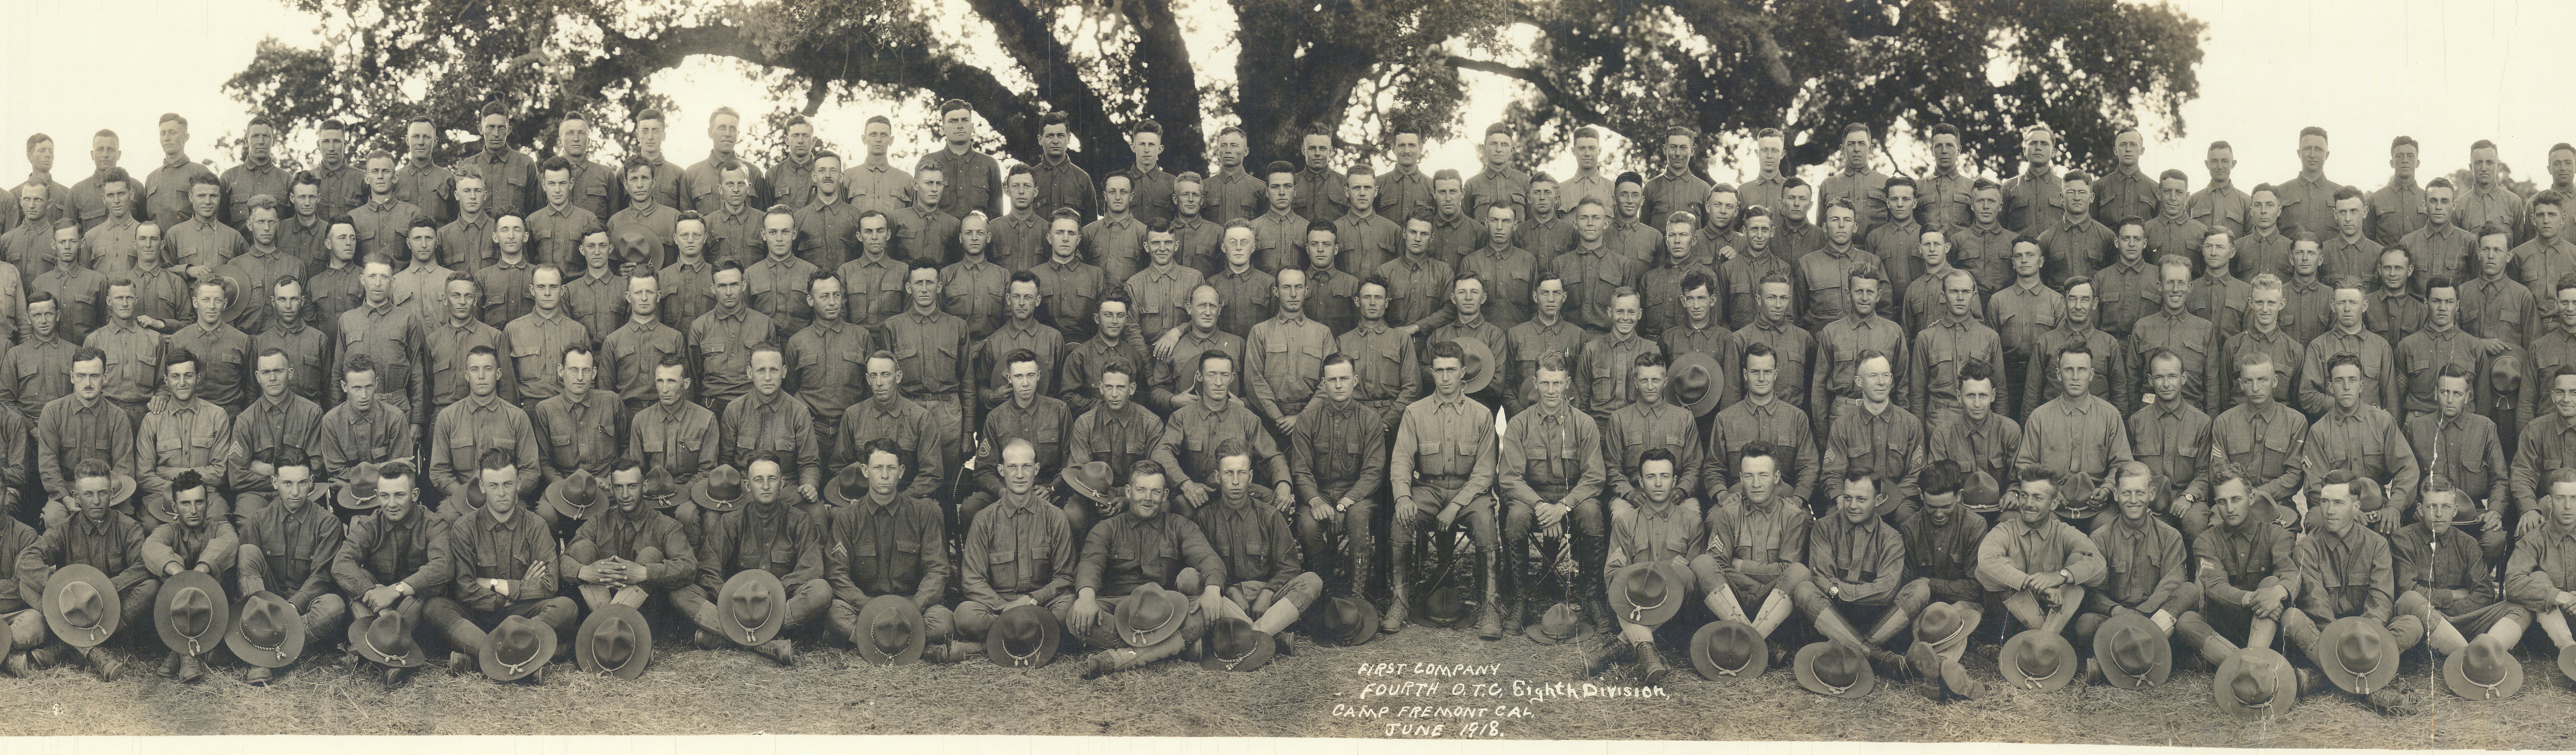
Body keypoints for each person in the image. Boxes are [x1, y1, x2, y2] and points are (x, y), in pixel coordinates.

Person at [1384, 341, 1502, 635]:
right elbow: (1401, 460)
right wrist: (1402, 496)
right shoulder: (1414, 412)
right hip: (1428, 488)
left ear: (1463, 372)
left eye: (1452, 370)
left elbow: (1485, 473)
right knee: (1401, 520)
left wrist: (1456, 505)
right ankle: (1400, 601)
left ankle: (1490, 606)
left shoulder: (1482, 414)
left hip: (1470, 492)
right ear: (1432, 373)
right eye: (1439, 371)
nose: (1446, 377)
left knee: (1486, 521)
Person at [428, 449, 577, 680]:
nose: (502, 493)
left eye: (508, 484)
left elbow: (550, 584)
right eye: (494, 486)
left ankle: (478, 658)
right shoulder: (464, 528)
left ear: (519, 483)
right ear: (482, 486)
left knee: (566, 607)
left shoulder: (536, 526)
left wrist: (497, 585)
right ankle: (522, 657)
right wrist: (515, 592)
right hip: (477, 615)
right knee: (435, 608)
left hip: (524, 616)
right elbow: (464, 589)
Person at [2282, 469, 2426, 706]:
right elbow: (2317, 607)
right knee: (2292, 618)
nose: (2329, 511)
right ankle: (2373, 691)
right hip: (2326, 636)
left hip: (2368, 636)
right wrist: (2344, 649)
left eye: (2338, 503)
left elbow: (2381, 601)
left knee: (2412, 625)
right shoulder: (2306, 548)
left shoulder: (2377, 545)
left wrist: (2363, 642)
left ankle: (2320, 678)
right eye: (2324, 502)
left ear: (2356, 506)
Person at [1070, 459, 1225, 676]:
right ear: (1128, 491)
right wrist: (1086, 597)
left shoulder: (1180, 526)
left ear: (1164, 495)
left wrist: (1212, 591)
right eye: (1141, 490)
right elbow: (1090, 564)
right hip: (1118, 610)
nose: (1148, 498)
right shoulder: (1106, 528)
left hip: (1166, 613)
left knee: (1210, 607)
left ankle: (1122, 657)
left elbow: (1209, 559)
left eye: (1155, 492)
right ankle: (1177, 646)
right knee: (1076, 617)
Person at [676, 453, 825, 665]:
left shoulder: (799, 521)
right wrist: (729, 597)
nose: (766, 486)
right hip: (737, 607)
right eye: (758, 480)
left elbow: (812, 569)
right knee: (681, 592)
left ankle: (725, 637)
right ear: (747, 485)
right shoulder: (732, 522)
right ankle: (767, 645)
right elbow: (709, 567)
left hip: (780, 606)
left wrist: (774, 595)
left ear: (782, 483)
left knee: (821, 590)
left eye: (772, 479)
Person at [1498, 356, 1607, 632]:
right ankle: (1521, 600)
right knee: (1516, 516)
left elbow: (1595, 476)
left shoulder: (1584, 424)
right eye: (1545, 383)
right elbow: (1510, 477)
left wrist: (1563, 507)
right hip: (1532, 498)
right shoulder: (1519, 424)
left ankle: (1591, 597)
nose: (1550, 390)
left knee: (1593, 512)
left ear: (1568, 384)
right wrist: (1540, 505)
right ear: (1535, 383)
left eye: (1557, 383)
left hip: (1572, 499)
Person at [822, 439, 954, 657]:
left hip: (910, 604)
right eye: (878, 468)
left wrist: (915, 607)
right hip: (864, 605)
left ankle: (862, 640)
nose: (885, 475)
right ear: (865, 471)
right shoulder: (847, 519)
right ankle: (910, 643)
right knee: (833, 612)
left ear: (901, 472)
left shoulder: (922, 514)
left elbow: (937, 569)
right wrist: (868, 607)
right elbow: (837, 573)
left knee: (944, 622)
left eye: (891, 468)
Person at [231, 447, 349, 685]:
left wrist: (293, 607)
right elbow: (245, 571)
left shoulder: (328, 524)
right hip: (266, 606)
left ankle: (262, 652)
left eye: (302, 483)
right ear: (274, 482)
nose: (295, 492)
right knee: (247, 552)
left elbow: (323, 577)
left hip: (304, 610)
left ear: (312, 482)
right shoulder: (259, 520)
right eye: (287, 484)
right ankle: (268, 638)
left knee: (334, 606)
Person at [1188, 439, 1323, 647]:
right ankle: (1268, 635)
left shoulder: (1269, 516)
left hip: (1267, 600)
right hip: (1226, 601)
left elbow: (1290, 567)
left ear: (1250, 476)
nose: (1235, 481)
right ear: (1218, 477)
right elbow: (1202, 567)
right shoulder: (1205, 518)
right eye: (1228, 473)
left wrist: (1268, 593)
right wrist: (1231, 590)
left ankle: (1248, 635)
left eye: (1241, 473)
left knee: (1312, 581)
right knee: (1189, 579)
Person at [951, 437, 1078, 658]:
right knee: (966, 615)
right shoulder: (984, 519)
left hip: (1042, 606)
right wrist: (1003, 607)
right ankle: (1037, 639)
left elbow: (1065, 578)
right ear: (1001, 470)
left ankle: (985, 647)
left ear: (1036, 469)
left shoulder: (1055, 517)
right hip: (999, 606)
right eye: (1012, 467)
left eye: (1026, 467)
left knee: (1070, 607)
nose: (1020, 475)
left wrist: (1032, 600)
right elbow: (972, 580)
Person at [2068, 462, 2196, 679]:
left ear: (2152, 494)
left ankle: (2113, 663)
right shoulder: (2100, 538)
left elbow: (2172, 582)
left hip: (2157, 617)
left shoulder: (2170, 536)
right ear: (2116, 495)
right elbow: (2093, 591)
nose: (2134, 500)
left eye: (2140, 493)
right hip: (2116, 620)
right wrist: (2116, 611)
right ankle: (2150, 655)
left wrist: (2144, 614)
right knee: (2085, 625)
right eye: (2127, 493)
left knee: (2189, 591)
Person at [328, 460, 449, 686]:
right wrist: (378, 597)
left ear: (415, 494)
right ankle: (392, 658)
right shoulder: (370, 525)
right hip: (376, 607)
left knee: (422, 596)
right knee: (356, 588)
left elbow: (442, 567)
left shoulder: (434, 524)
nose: (391, 504)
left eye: (400, 496)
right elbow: (341, 564)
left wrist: (396, 590)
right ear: (376, 495)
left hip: (412, 607)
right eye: (385, 496)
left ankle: (374, 654)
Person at [1587, 448, 1703, 682]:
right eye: (1650, 477)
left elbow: (1692, 580)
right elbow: (1613, 576)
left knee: (1683, 573)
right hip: (1632, 606)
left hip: (1675, 614)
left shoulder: (1692, 523)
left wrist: (1659, 572)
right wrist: (1664, 566)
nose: (1658, 484)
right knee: (1624, 583)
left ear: (1675, 481)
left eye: (1665, 476)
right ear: (1640, 481)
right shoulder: (1626, 523)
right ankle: (1648, 652)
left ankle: (1620, 646)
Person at [1288, 354, 1389, 603]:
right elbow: (1301, 469)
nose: (1339, 385)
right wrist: (1315, 501)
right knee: (1308, 525)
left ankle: (1358, 597)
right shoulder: (1308, 419)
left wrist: (1346, 502)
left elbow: (1374, 472)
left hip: (1358, 495)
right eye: (1332, 380)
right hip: (1318, 493)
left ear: (1355, 381)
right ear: (1323, 383)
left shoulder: (1370, 420)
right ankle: (1323, 592)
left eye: (1344, 378)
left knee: (1358, 520)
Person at [1792, 467, 1914, 673]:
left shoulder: (1891, 539)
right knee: (1804, 589)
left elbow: (1886, 592)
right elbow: (1820, 578)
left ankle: (1849, 647)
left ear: (1879, 500)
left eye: (1861, 500)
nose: (1852, 506)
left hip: (1876, 618)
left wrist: (1837, 590)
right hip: (1832, 614)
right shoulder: (1824, 528)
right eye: (1847, 498)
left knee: (1919, 589)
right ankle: (1876, 656)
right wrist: (1864, 591)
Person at [2394, 483, 2527, 665]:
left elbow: (2485, 595)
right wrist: (2451, 596)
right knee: (2410, 598)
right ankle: (2472, 659)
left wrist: (2444, 615)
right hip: (2424, 621)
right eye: (2432, 506)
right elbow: (2406, 589)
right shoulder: (2403, 540)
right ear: (2420, 509)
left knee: (2520, 607)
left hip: (2461, 621)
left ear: (2455, 510)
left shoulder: (2467, 544)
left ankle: (2485, 650)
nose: (2439, 514)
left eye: (2446, 507)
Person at [1150, 349, 1292, 513]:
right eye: (1212, 375)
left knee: (1276, 503)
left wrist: (1283, 484)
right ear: (1200, 377)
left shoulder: (1247, 419)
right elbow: (1162, 452)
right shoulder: (1182, 417)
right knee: (1182, 506)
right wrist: (1186, 484)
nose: (1219, 382)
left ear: (1232, 378)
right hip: (1198, 494)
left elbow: (1272, 457)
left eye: (1224, 375)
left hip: (1237, 493)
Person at [2013, 342, 2132, 531]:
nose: (2075, 377)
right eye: (2069, 370)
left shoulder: (2110, 416)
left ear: (2091, 375)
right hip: (2052, 507)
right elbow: (2026, 467)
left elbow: (2122, 465)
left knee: (2111, 530)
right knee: (2038, 529)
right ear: (2059, 374)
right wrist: (2050, 492)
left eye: (2082, 370)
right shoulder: (2039, 418)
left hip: (2098, 508)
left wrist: (2108, 489)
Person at [1975, 465, 2104, 639]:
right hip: (2010, 625)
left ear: (2054, 504)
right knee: (1997, 572)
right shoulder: (2005, 531)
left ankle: (2043, 639)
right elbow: (1986, 560)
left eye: (2037, 498)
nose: (2028, 504)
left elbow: (2098, 565)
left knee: (2079, 563)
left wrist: (2060, 576)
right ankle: (2047, 640)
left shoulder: (2064, 532)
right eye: (2024, 495)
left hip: (2055, 617)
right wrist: (2032, 584)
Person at [2195, 352, 2308, 540]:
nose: (2255, 388)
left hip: (2277, 505)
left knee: (2282, 549)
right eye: (2248, 382)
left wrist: (2259, 494)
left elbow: (2294, 475)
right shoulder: (2224, 422)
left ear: (2275, 381)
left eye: (2262, 380)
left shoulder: (2295, 422)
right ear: (2241, 384)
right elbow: (2220, 472)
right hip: (2233, 506)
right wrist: (2243, 497)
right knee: (2218, 538)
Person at [2405, 365, 2511, 564]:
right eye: (2445, 392)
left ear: (2468, 396)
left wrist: (2495, 511)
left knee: (2495, 540)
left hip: (2475, 517)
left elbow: (2500, 479)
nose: (2450, 399)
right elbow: (2407, 478)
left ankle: (2476, 588)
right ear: (2436, 393)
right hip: (2430, 516)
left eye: (2457, 393)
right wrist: (2415, 507)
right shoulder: (2415, 429)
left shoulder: (2485, 428)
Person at [2303, 352, 2419, 533]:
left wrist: (2395, 506)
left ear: (2361, 386)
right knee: (2316, 518)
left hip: (2378, 506)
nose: (2347, 387)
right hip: (2339, 506)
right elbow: (2314, 485)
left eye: (2353, 380)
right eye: (2339, 381)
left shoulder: (2383, 421)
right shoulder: (2319, 431)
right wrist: (2346, 510)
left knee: (2399, 526)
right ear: (2331, 387)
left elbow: (2408, 468)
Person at [138, 471, 235, 681]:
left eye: (199, 502)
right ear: (175, 508)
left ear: (208, 504)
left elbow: (229, 542)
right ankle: (187, 655)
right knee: (171, 560)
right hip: (176, 617)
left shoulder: (220, 528)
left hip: (213, 614)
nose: (193, 511)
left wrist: (200, 573)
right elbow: (151, 546)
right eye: (186, 504)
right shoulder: (168, 531)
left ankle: (181, 654)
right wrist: (178, 572)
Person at [427, 346, 541, 516]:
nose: (481, 376)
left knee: (523, 521)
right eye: (475, 370)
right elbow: (439, 471)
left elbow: (531, 471)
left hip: (507, 497)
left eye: (488, 369)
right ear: (467, 376)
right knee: (446, 519)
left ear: (499, 374)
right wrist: (466, 494)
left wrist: (506, 492)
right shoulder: (448, 417)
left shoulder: (517, 417)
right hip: (460, 497)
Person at [828, 351, 950, 506]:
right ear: (867, 379)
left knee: (933, 511)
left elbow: (932, 473)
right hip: (862, 501)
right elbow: (838, 466)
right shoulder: (853, 416)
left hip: (908, 499)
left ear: (898, 377)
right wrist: (858, 499)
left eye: (886, 375)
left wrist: (903, 499)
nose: (879, 383)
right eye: (874, 376)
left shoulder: (920, 418)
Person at [968, 349, 1071, 529]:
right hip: (1006, 489)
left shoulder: (1059, 411)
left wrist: (1052, 489)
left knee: (1073, 515)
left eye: (1030, 376)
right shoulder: (996, 418)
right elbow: (983, 471)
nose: (1025, 383)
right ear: (1009, 378)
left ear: (1039, 376)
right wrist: (1003, 492)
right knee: (971, 509)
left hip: (1047, 489)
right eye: (1018, 377)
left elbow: (1070, 463)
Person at [35, 347, 138, 524]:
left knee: (123, 523)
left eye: (94, 376)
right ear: (72, 377)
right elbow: (48, 465)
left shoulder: (118, 417)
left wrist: (104, 501)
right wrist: (66, 498)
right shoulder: (52, 412)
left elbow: (124, 469)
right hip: (68, 492)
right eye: (82, 376)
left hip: (107, 495)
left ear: (105, 378)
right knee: (55, 518)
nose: (88, 383)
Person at [1706, 344, 1820, 501]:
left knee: (1803, 522)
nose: (1761, 379)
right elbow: (1713, 467)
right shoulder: (1725, 419)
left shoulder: (1797, 417)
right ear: (1746, 375)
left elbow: (1809, 466)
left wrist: (1799, 498)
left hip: (1785, 498)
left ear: (1775, 374)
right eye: (1755, 372)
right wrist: (1723, 494)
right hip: (1739, 498)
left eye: (1767, 372)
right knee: (1715, 520)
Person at [1893, 461, 1992, 639]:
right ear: (1921, 495)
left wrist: (1928, 583)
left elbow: (1974, 589)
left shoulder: (1975, 526)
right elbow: (1907, 588)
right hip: (1923, 608)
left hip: (1963, 607)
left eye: (1946, 507)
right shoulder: (1909, 529)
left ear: (1959, 496)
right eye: (1932, 507)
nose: (1939, 514)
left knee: (1950, 620)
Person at [134, 349, 234, 523]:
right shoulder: (152, 420)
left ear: (199, 378)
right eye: (175, 377)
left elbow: (220, 473)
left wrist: (170, 473)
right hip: (163, 496)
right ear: (166, 380)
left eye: (188, 376)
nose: (182, 383)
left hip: (207, 497)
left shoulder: (217, 416)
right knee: (150, 524)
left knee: (218, 520)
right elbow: (144, 477)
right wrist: (176, 493)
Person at [719, 342, 823, 508]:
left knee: (817, 514)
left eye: (774, 370)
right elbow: (725, 460)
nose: (768, 378)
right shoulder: (735, 410)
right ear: (750, 373)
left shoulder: (799, 412)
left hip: (785, 489)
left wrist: (809, 485)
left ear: (784, 372)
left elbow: (809, 462)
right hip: (745, 490)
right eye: (761, 370)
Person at [335, 253, 430, 434]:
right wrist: (338, 416)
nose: (378, 283)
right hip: (356, 412)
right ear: (363, 280)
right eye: (372, 276)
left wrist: (417, 420)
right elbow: (337, 372)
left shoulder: (407, 319)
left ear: (393, 281)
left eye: (384, 277)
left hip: (398, 409)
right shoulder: (348, 320)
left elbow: (418, 372)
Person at [1811, 269, 1904, 433]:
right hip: (1842, 415)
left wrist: (1902, 424)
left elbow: (1903, 385)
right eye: (1859, 292)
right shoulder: (1832, 332)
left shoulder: (1894, 332)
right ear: (1848, 294)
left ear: (1879, 295)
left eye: (1870, 292)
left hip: (1884, 416)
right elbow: (1819, 386)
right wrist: (1821, 431)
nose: (1864, 298)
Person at [2023, 277, 2128, 420]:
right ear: (2064, 302)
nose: (2078, 306)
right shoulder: (2046, 342)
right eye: (2072, 299)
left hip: (2097, 424)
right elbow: (2032, 394)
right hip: (2054, 424)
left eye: (2085, 300)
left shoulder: (2109, 344)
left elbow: (2120, 394)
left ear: (2095, 303)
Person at [2130, 348, 2213, 521]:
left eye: (2172, 376)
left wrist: (2188, 496)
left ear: (2183, 379)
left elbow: (2205, 474)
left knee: (2196, 522)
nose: (2166, 384)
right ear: (2151, 381)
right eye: (2159, 377)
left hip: (2187, 500)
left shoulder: (2202, 423)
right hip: (2148, 502)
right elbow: (2129, 471)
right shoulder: (2137, 422)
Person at [1911, 268, 2003, 422]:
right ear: (1943, 296)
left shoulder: (1990, 337)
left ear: (1974, 296)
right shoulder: (1927, 337)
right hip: (1939, 421)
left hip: (1980, 420)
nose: (1960, 298)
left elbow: (2001, 392)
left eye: (1966, 292)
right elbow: (1918, 394)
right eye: (1954, 292)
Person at [689, 261, 777, 419]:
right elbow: (696, 376)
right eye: (722, 286)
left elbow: (772, 371)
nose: (729, 292)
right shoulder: (700, 327)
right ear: (713, 289)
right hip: (712, 408)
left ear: (743, 285)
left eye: (734, 285)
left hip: (754, 406)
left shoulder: (765, 324)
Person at [2131, 255, 2219, 415]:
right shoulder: (2142, 328)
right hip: (2150, 414)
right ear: (2160, 286)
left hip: (2193, 416)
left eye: (2182, 283)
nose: (2176, 289)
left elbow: (2212, 385)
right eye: (2170, 282)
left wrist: (2210, 424)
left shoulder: (2205, 329)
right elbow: (2132, 382)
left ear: (2190, 287)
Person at [421, 274, 517, 418]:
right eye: (456, 296)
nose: (462, 302)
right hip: (444, 419)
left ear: (475, 300)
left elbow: (507, 387)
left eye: (468, 296)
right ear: (445, 300)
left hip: (487, 416)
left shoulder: (494, 337)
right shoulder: (433, 341)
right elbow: (427, 389)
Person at [314, 354, 416, 485]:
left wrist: (350, 484)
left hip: (385, 498)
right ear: (345, 387)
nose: (364, 396)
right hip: (347, 501)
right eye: (357, 388)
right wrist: (386, 466)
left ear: (377, 383)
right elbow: (338, 473)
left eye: (369, 387)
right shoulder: (331, 422)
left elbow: (400, 474)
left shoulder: (395, 418)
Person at [502, 265, 588, 407]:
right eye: (541, 287)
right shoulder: (513, 330)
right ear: (532, 290)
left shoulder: (578, 331)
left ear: (563, 290)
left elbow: (588, 379)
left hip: (568, 408)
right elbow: (506, 382)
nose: (547, 293)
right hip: (527, 410)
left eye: (553, 287)